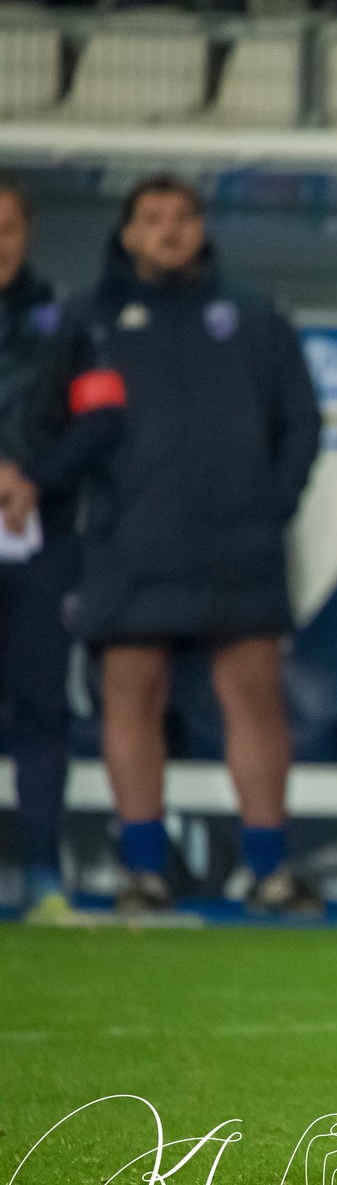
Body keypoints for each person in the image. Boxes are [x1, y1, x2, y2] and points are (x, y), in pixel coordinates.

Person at [51, 175, 323, 917]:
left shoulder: (256, 315)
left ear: (202, 227)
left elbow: (301, 422)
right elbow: (54, 425)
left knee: (255, 700)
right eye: (153, 218)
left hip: (240, 543)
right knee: (130, 697)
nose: (169, 230)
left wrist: (270, 505)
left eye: (183, 216)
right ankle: (144, 871)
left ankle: (269, 870)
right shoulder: (88, 318)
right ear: (128, 233)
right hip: (130, 544)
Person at [0, 176, 76, 924]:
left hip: (40, 540)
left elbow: (103, 421)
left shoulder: (67, 321)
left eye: (7, 228)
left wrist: (33, 475)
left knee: (42, 710)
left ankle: (42, 874)